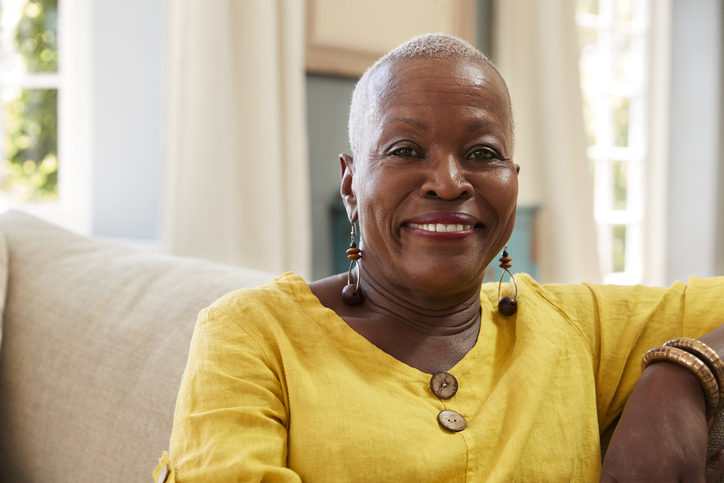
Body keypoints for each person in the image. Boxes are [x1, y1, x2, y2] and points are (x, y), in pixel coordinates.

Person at [154, 33, 724, 482]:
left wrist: (685, 372)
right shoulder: (252, 335)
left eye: (482, 153)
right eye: (405, 150)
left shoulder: (578, 329)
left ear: (513, 182)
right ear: (351, 184)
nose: (450, 183)